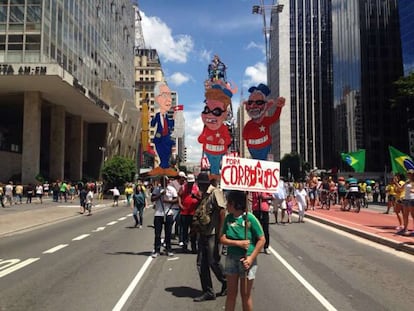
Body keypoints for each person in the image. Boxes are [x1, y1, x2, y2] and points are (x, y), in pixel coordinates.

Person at [220, 190, 265, 311]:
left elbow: (262, 239)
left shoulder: (250, 218)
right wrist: (237, 243)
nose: (226, 205)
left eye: (228, 202)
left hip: (246, 260)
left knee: (245, 295)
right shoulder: (228, 218)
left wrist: (251, 258)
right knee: (231, 295)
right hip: (231, 259)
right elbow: (222, 238)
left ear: (234, 204)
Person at [193, 172, 227, 302]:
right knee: (201, 263)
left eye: (202, 185)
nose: (200, 186)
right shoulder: (204, 194)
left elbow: (222, 212)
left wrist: (220, 233)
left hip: (212, 234)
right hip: (203, 233)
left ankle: (226, 281)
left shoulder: (215, 192)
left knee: (213, 262)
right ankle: (208, 291)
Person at [242, 83, 285, 161]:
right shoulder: (249, 124)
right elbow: (244, 136)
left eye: (259, 102)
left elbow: (275, 118)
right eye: (250, 103)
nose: (253, 106)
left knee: (262, 162)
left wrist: (279, 107)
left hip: (265, 147)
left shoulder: (266, 121)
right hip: (253, 149)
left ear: (267, 105)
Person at [198, 84, 232, 176]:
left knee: (215, 168)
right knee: (214, 168)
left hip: (219, 152)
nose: (210, 115)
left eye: (216, 111)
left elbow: (229, 140)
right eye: (207, 110)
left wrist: (223, 141)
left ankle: (214, 176)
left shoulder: (223, 127)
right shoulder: (206, 128)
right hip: (209, 151)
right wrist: (206, 138)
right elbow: (200, 139)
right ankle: (214, 176)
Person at [150, 81, 176, 175]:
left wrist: (174, 118)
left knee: (166, 153)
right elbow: (152, 124)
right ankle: (162, 165)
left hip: (167, 138)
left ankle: (165, 166)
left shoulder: (167, 118)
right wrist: (150, 118)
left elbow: (171, 125)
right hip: (159, 137)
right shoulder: (157, 115)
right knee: (161, 151)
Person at [151, 176, 177, 258]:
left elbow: (176, 199)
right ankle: (156, 250)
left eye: (165, 180)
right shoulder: (157, 189)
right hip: (159, 214)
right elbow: (152, 199)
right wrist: (160, 194)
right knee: (157, 234)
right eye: (162, 180)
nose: (163, 182)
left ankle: (168, 249)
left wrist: (167, 201)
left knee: (168, 233)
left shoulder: (171, 189)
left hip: (168, 213)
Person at [178, 173, 199, 253]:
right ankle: (185, 246)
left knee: (193, 231)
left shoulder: (196, 187)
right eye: (189, 182)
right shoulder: (183, 187)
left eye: (192, 182)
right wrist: (180, 204)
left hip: (193, 212)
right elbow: (179, 195)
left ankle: (193, 247)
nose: (190, 184)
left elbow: (200, 197)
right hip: (184, 212)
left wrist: (195, 196)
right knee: (184, 230)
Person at [402, 169, 414, 236]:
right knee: (405, 215)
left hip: (412, 199)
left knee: (413, 215)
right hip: (406, 199)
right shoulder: (407, 182)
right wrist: (396, 183)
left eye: (409, 174)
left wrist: (413, 191)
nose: (408, 175)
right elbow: (401, 188)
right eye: (407, 174)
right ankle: (405, 228)